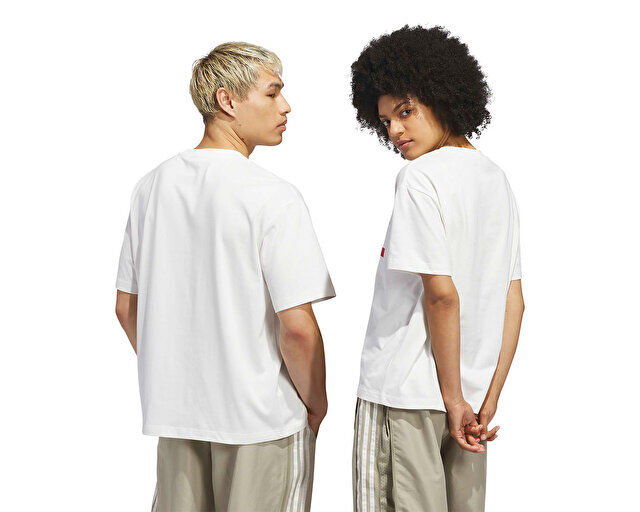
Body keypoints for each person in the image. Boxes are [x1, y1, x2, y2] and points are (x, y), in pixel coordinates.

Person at [114, 42, 335, 512]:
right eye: (272, 93)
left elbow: (126, 307)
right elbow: (297, 328)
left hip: (178, 419)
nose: (286, 106)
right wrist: (316, 402)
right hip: (262, 421)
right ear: (227, 101)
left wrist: (179, 372)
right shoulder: (272, 195)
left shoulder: (151, 187)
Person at [350, 25, 525, 511]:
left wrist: (452, 399)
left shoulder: (419, 177)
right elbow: (513, 298)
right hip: (470, 401)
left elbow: (442, 294)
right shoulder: (496, 179)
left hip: (406, 393)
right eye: (385, 120)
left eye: (405, 111)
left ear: (442, 96)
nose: (395, 131)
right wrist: (486, 395)